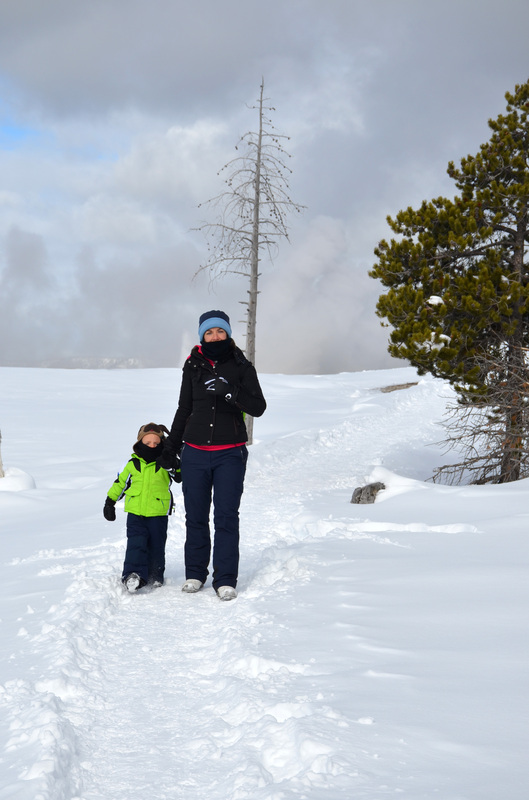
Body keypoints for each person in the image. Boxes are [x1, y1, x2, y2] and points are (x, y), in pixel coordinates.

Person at [159, 310, 266, 600]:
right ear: (202, 336)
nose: (215, 336)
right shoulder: (192, 365)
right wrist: (171, 447)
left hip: (229, 454)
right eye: (209, 332)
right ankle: (195, 573)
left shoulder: (241, 365)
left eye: (220, 331)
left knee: (226, 517)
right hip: (194, 453)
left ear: (228, 333)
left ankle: (225, 579)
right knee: (195, 516)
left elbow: (258, 406)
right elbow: (184, 408)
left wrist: (230, 392)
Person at [104, 422, 175, 593]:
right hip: (136, 512)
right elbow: (120, 483)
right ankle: (132, 575)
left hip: (158, 512)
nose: (152, 446)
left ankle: (155, 575)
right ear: (139, 443)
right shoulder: (132, 464)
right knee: (136, 543)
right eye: (148, 442)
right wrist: (110, 502)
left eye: (156, 443)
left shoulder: (165, 463)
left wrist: (172, 461)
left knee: (157, 545)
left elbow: (180, 475)